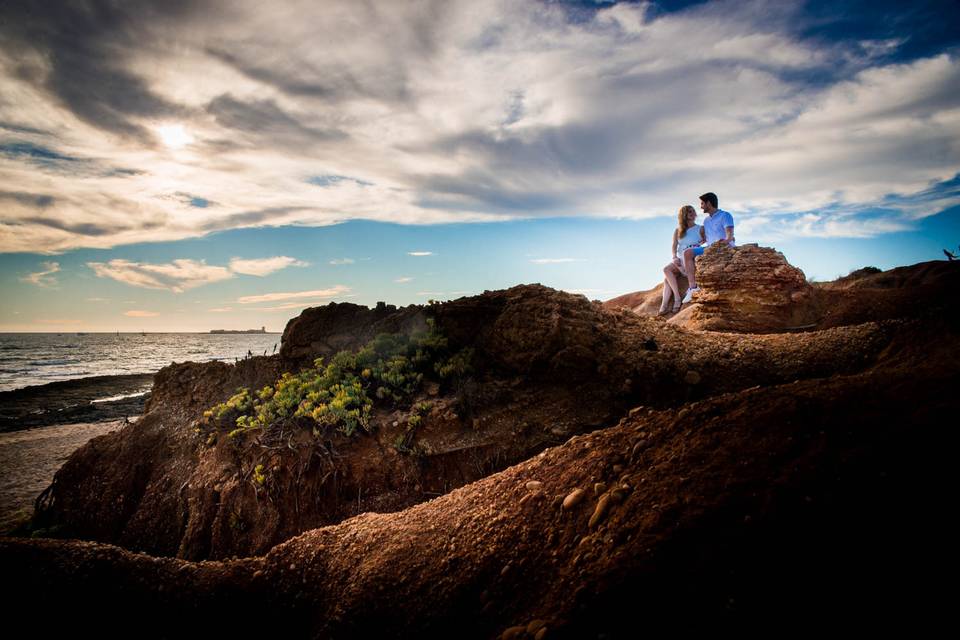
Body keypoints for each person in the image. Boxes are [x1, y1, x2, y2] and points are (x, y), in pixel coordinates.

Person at [681, 192, 735, 304]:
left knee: (691, 253)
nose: (700, 207)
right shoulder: (706, 221)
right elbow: (707, 238)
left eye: (702, 203)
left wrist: (725, 241)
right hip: (710, 248)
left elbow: (730, 235)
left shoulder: (725, 215)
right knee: (687, 253)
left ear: (708, 203)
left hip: (723, 247)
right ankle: (693, 288)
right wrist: (699, 243)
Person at [659, 205, 704, 314]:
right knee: (666, 270)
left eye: (693, 211)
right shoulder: (678, 230)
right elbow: (674, 245)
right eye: (690, 212)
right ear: (684, 215)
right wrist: (674, 257)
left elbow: (706, 241)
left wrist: (696, 246)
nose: (693, 213)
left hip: (690, 259)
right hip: (679, 259)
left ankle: (665, 305)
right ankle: (677, 298)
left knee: (666, 280)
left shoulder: (700, 228)